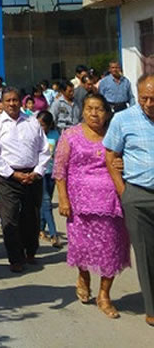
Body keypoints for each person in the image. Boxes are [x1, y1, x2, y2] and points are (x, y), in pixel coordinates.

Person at [56, 93, 132, 319]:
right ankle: (83, 276)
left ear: (107, 113)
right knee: (83, 248)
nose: (94, 113)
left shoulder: (114, 135)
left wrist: (123, 162)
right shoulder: (70, 136)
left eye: (99, 109)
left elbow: (129, 159)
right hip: (79, 205)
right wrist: (63, 198)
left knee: (111, 249)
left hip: (111, 203)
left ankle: (104, 295)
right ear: (82, 111)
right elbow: (60, 169)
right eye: (90, 108)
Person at [104, 74, 154, 327]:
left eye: (153, 99)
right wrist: (124, 192)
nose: (148, 103)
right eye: (144, 98)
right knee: (146, 254)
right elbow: (111, 155)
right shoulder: (123, 120)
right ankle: (152, 308)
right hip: (138, 195)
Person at [0, 87, 51, 272]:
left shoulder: (32, 122)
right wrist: (12, 174)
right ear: (2, 102)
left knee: (31, 217)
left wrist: (37, 172)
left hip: (32, 176)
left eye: (15, 100)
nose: (12, 104)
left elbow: (44, 150)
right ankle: (15, 257)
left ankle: (30, 251)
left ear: (20, 101)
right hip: (8, 177)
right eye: (8, 101)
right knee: (10, 218)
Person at [36, 110, 62, 248]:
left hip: (52, 172)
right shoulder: (35, 135)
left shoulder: (55, 135)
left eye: (43, 125)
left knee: (46, 202)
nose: (41, 127)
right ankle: (53, 234)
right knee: (46, 203)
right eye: (39, 124)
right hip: (40, 172)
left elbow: (59, 153)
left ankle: (40, 229)